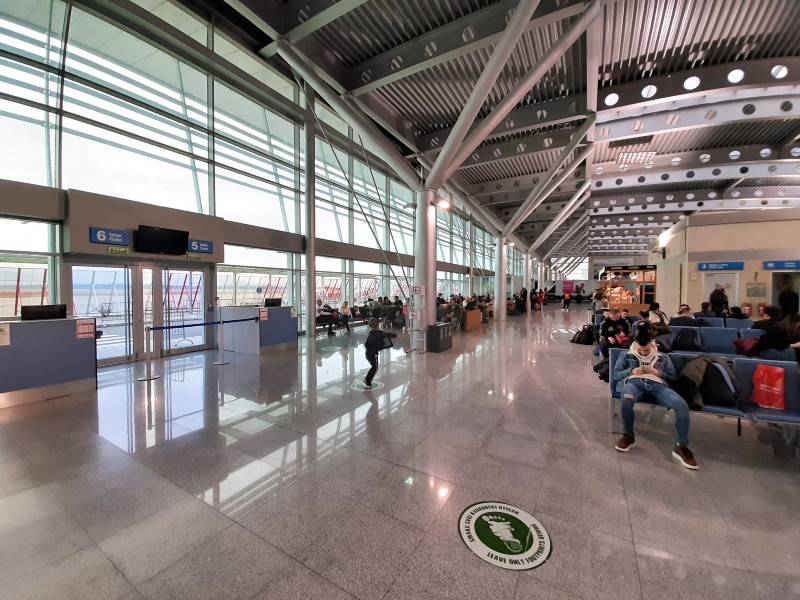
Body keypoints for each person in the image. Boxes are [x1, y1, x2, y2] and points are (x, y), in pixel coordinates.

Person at [612, 326, 698, 470]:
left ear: (652, 345)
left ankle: (681, 446)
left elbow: (673, 378)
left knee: (681, 404)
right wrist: (631, 371)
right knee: (626, 399)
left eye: (646, 351)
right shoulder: (626, 355)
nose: (643, 353)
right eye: (640, 351)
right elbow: (616, 375)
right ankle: (628, 435)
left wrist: (659, 373)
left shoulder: (663, 357)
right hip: (634, 382)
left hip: (658, 385)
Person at [363, 317, 397, 389]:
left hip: (368, 353)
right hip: (373, 354)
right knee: (374, 368)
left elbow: (367, 344)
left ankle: (367, 379)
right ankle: (368, 382)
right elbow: (387, 334)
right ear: (378, 325)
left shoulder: (371, 333)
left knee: (373, 367)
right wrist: (396, 335)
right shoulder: (379, 333)